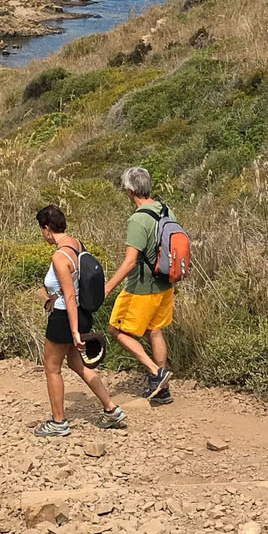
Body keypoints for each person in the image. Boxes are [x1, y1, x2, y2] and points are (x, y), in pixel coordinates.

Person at [34, 204, 127, 438]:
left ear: (46, 229)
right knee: (78, 365)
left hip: (66, 317)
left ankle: (58, 422)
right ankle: (111, 409)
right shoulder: (76, 244)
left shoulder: (59, 256)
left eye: (41, 230)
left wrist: (74, 331)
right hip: (83, 315)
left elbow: (69, 295)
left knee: (52, 368)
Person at [105, 166, 174, 404]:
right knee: (155, 329)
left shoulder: (138, 219)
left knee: (116, 329)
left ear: (130, 191)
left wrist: (107, 288)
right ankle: (162, 389)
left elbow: (130, 261)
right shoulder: (165, 210)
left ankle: (157, 373)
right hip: (166, 283)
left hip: (142, 287)